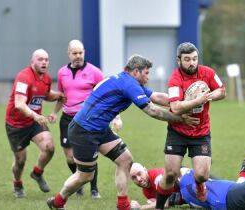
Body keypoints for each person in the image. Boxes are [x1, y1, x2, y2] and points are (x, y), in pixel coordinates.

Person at [47, 54, 199, 210]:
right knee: (85, 175)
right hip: (84, 131)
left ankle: (123, 205)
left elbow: (156, 96)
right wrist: (179, 118)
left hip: (99, 129)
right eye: (146, 73)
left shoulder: (126, 80)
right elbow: (152, 110)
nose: (148, 77)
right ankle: (57, 202)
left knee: (125, 160)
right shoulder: (129, 84)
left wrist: (183, 103)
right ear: (135, 72)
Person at [48, 40, 121, 199]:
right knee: (69, 156)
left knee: (91, 154)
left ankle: (94, 189)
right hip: (67, 119)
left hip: (90, 121)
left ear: (84, 52)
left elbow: (108, 95)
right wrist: (54, 112)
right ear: (69, 54)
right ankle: (78, 181)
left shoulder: (95, 72)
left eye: (80, 52)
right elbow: (62, 96)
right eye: (74, 53)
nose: (78, 56)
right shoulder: (62, 73)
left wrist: (116, 117)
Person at [156, 42, 226, 208]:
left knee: (202, 175)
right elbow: (175, 107)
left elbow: (222, 90)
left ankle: (200, 185)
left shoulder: (207, 72)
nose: (192, 63)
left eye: (194, 59)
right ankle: (159, 207)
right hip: (177, 132)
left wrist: (208, 96)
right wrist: (197, 100)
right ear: (178, 60)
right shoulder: (175, 79)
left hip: (201, 131)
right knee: (171, 174)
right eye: (187, 59)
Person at [5, 49, 64, 198]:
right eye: (40, 59)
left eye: (46, 59)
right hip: (16, 124)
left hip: (34, 121)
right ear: (32, 62)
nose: (44, 62)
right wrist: (35, 116)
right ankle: (17, 183)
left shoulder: (46, 78)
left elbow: (46, 94)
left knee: (49, 147)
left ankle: (37, 173)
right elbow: (19, 103)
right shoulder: (23, 77)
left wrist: (59, 95)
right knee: (20, 161)